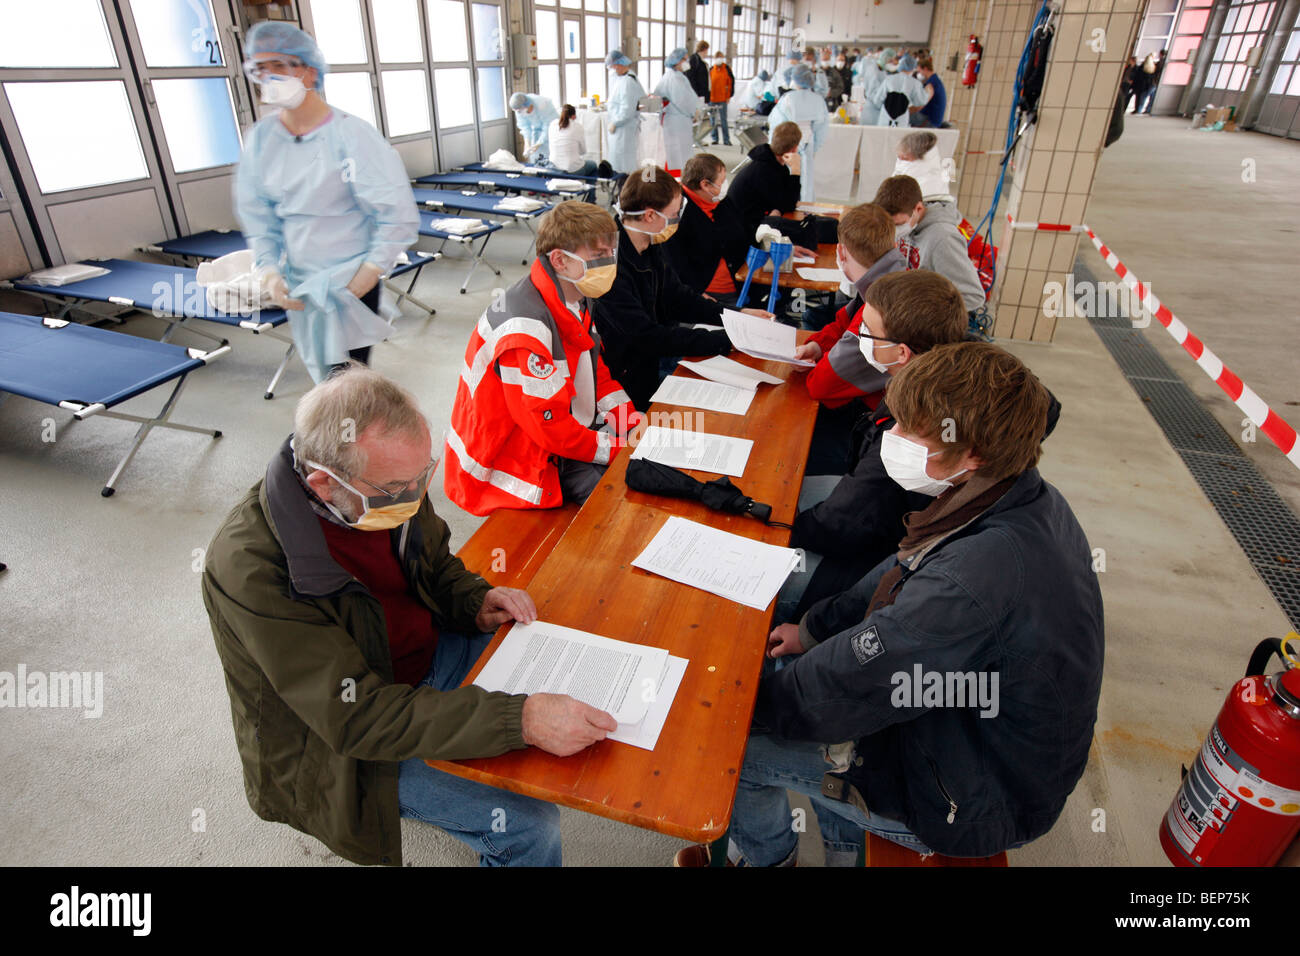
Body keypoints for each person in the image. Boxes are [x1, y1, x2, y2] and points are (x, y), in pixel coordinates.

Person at [676, 340, 1102, 866]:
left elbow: (857, 680)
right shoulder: (1012, 494)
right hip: (976, 739)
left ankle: (768, 859)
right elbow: (902, 565)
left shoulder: (973, 580)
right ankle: (839, 850)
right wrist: (814, 629)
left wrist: (738, 702)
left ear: (974, 454)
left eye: (909, 431)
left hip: (973, 800)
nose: (890, 438)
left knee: (722, 750)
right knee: (800, 694)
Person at [202, 366, 619, 867]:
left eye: (424, 475)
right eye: (401, 486)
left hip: (422, 659)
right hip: (347, 744)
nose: (418, 496)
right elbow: (355, 716)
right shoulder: (250, 565)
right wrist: (521, 719)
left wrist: (472, 600)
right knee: (530, 826)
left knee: (571, 659)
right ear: (323, 482)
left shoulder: (385, 486)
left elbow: (436, 564)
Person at [235, 21, 419, 384]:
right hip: (300, 281)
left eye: (279, 66)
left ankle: (343, 437)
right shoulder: (263, 140)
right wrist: (270, 269)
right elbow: (257, 214)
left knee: (346, 384)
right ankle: (336, 436)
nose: (268, 77)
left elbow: (394, 212)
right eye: (260, 69)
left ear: (310, 71)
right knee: (323, 378)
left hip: (350, 278)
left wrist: (366, 276)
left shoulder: (351, 135)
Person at [785, 269, 969, 618]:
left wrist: (776, 526)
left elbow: (841, 525)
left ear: (900, 352)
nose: (858, 339)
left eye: (866, 332)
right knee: (788, 493)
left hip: (877, 565)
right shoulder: (936, 376)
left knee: (765, 556)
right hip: (883, 525)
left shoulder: (914, 428)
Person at [445, 202, 638, 513]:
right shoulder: (524, 328)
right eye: (599, 255)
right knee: (618, 506)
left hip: (557, 441)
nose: (610, 262)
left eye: (610, 252)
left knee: (642, 478)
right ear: (560, 259)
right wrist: (618, 446)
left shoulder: (574, 293)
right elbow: (548, 426)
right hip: (516, 463)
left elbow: (593, 371)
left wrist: (630, 422)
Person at [591, 167, 773, 409]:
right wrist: (728, 339)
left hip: (648, 364)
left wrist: (736, 316)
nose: (678, 220)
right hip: (622, 378)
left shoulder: (651, 242)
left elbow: (678, 298)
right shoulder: (610, 266)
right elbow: (646, 336)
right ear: (650, 216)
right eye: (674, 214)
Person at [793, 203, 909, 410]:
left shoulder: (878, 307)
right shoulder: (888, 280)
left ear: (841, 252)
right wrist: (817, 346)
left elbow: (820, 385)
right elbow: (843, 325)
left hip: (878, 415)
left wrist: (822, 357)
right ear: (894, 245)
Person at [873, 175, 985, 315]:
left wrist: (922, 309)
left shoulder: (943, 239)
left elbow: (973, 297)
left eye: (898, 225)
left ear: (918, 209)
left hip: (929, 318)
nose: (895, 231)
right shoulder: (910, 223)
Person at [664, 153, 749, 304]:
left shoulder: (720, 202)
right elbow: (674, 262)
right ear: (705, 185)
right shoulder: (677, 212)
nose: (724, 187)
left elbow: (741, 230)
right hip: (709, 295)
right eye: (721, 182)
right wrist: (696, 294)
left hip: (741, 283)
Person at [726, 120, 804, 242]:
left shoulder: (771, 162)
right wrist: (795, 170)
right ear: (794, 149)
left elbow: (787, 201)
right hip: (743, 231)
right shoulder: (765, 169)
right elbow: (789, 204)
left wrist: (778, 209)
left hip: (749, 222)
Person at [769, 66, 829, 203]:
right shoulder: (818, 100)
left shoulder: (788, 98)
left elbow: (777, 124)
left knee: (789, 176)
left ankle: (790, 205)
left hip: (789, 143)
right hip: (809, 141)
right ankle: (806, 207)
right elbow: (822, 128)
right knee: (807, 179)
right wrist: (813, 146)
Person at [655, 48, 702, 176]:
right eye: (684, 59)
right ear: (677, 61)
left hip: (679, 119)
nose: (687, 62)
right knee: (675, 154)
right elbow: (682, 100)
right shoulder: (674, 78)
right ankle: (673, 180)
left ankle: (676, 178)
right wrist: (694, 111)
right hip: (676, 120)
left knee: (678, 153)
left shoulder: (677, 76)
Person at [605, 50, 646, 178]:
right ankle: (621, 184)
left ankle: (625, 185)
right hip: (620, 126)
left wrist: (615, 122)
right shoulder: (622, 78)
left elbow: (627, 109)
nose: (612, 69)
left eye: (613, 66)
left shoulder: (628, 82)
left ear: (618, 64)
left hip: (624, 126)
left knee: (624, 160)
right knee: (618, 159)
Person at [869, 52, 926, 127]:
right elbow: (919, 102)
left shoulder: (889, 79)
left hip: (885, 119)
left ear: (900, 65)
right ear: (913, 68)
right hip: (902, 121)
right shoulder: (915, 83)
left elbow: (877, 101)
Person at [894, 131, 952, 200]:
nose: (901, 160)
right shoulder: (910, 171)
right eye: (900, 157)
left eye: (905, 158)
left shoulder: (932, 182)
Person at [545, 104, 598, 176]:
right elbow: (583, 151)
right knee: (593, 165)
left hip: (553, 168)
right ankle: (588, 186)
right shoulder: (578, 127)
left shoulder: (552, 124)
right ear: (574, 116)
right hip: (572, 170)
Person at [509, 92, 559, 164]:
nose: (519, 112)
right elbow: (525, 126)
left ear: (526, 105)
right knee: (535, 156)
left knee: (551, 157)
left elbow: (548, 126)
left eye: (520, 110)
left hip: (552, 131)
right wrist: (527, 143)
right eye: (517, 111)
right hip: (537, 131)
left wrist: (539, 143)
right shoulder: (519, 110)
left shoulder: (542, 104)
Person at [708, 50, 736, 146]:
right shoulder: (711, 69)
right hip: (712, 99)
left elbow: (731, 83)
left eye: (720, 57)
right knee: (713, 120)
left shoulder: (727, 69)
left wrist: (729, 96)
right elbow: (708, 84)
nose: (719, 59)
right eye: (717, 57)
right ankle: (715, 138)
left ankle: (726, 140)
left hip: (723, 99)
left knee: (723, 120)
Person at [911, 56, 947, 127]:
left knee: (902, 117)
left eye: (919, 71)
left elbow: (920, 105)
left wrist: (908, 110)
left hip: (930, 120)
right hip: (932, 117)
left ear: (925, 69)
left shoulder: (931, 84)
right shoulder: (935, 80)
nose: (919, 74)